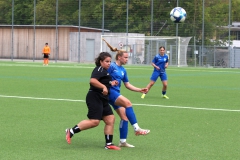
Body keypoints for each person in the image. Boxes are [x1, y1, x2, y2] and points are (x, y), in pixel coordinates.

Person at [65, 52, 120, 150]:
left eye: (110, 61)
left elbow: (103, 81)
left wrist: (111, 83)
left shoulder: (105, 71)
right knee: (95, 121)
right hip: (94, 97)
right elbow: (93, 81)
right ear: (101, 62)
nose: (109, 63)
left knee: (110, 119)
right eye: (106, 61)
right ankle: (71, 131)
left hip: (103, 99)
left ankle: (109, 144)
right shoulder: (99, 69)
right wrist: (103, 86)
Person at [102, 39, 150, 148]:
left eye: (128, 57)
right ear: (119, 57)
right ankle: (137, 129)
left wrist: (140, 90)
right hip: (110, 93)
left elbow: (127, 85)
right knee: (128, 103)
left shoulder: (123, 70)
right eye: (126, 57)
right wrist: (108, 83)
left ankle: (122, 142)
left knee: (124, 117)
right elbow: (102, 77)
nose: (127, 59)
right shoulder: (112, 66)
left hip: (116, 93)